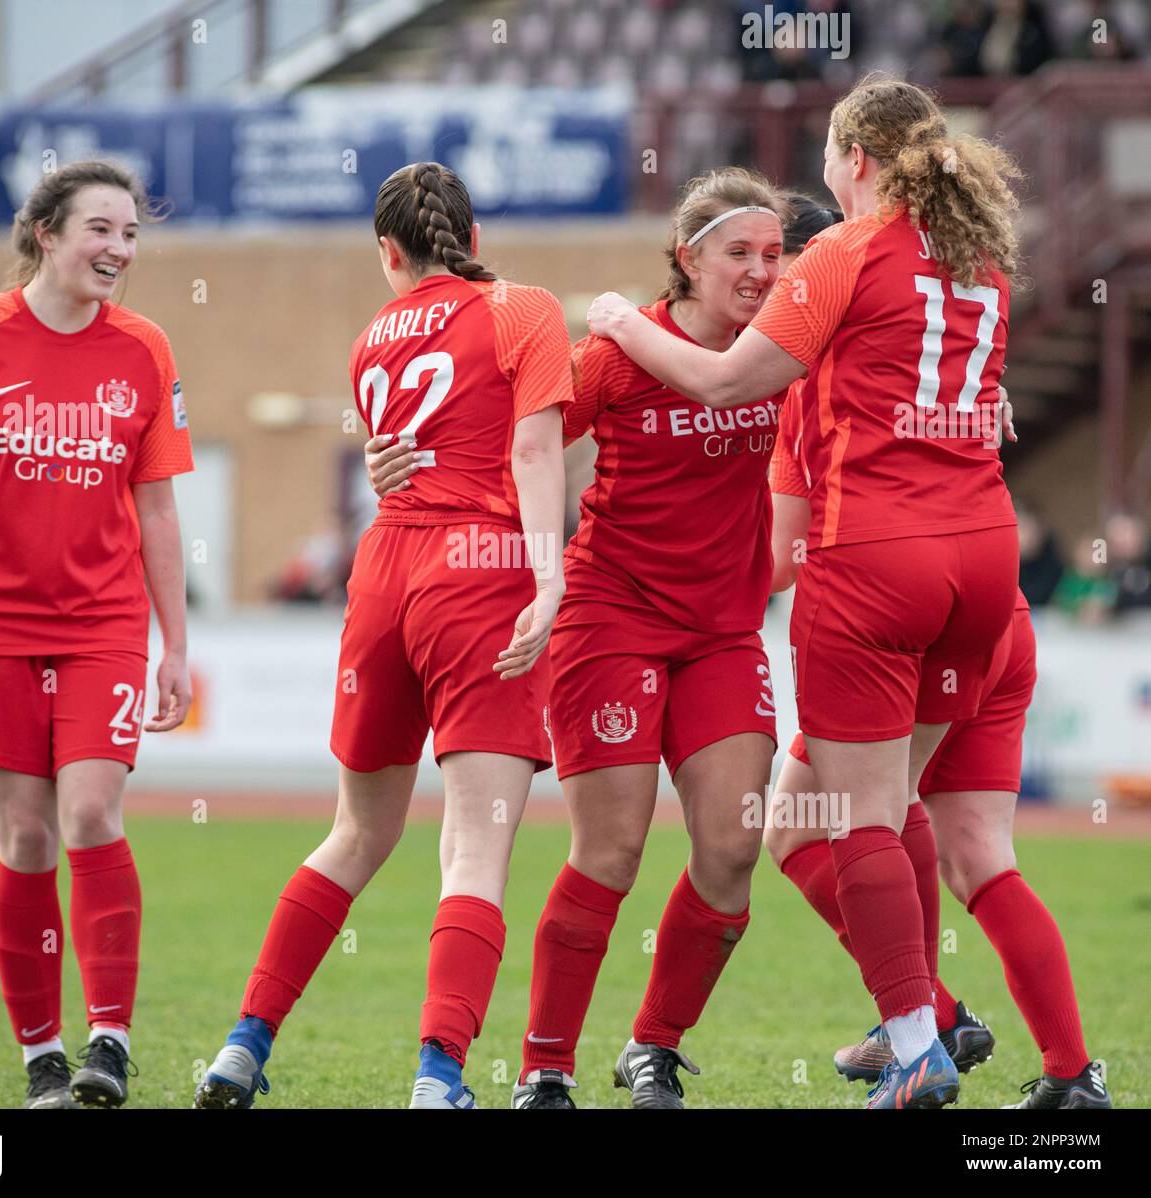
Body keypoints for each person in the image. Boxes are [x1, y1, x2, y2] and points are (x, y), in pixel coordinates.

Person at [587, 73, 1023, 1109]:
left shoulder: (840, 265)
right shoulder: (976, 260)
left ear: (852, 160)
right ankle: (943, 1023)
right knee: (852, 811)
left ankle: (917, 1038)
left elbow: (730, 384)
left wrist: (615, 318)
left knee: (851, 816)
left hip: (875, 563)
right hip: (983, 563)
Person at [373, 167, 790, 1109]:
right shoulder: (612, 356)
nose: (763, 271)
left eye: (775, 253)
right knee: (612, 851)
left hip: (724, 631)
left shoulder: (781, 354)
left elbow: (867, 398)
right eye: (741, 253)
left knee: (731, 849)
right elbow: (514, 447)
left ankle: (651, 1047)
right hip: (611, 616)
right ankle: (544, 1067)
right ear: (687, 260)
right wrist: (397, 458)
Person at [194, 161, 571, 1110]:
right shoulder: (524, 309)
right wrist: (551, 570)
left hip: (382, 575)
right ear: (474, 239)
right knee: (476, 848)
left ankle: (243, 1044)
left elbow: (399, 458)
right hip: (478, 569)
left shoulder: (371, 339)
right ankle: (439, 1077)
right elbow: (529, 448)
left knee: (355, 833)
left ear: (387, 254)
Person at [0, 160, 194, 1109]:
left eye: (131, 235)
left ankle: (108, 1043)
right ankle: (42, 1060)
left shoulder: (145, 347)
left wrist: (175, 644)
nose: (120, 251)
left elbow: (160, 510)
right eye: (101, 229)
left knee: (92, 813)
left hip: (102, 620)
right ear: (45, 234)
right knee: (23, 838)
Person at [766, 377, 1111, 1109]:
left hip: (901, 608)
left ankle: (927, 1022)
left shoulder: (811, 385)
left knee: (811, 825)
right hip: (997, 607)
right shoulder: (941, 348)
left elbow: (779, 558)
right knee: (981, 855)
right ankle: (1072, 1073)